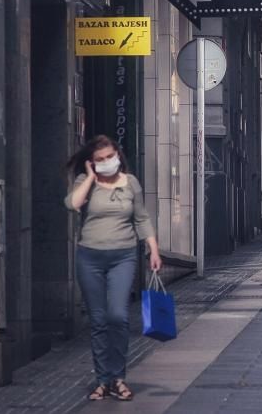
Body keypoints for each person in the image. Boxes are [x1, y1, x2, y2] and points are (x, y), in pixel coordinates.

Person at [65, 135, 161, 401]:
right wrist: (89, 178)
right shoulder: (85, 183)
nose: (107, 162)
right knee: (98, 320)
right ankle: (102, 380)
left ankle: (118, 378)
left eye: (110, 157)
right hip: (90, 258)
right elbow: (72, 204)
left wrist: (153, 249)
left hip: (123, 256)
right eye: (100, 160)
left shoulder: (131, 183)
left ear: (118, 154)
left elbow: (141, 217)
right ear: (92, 163)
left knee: (118, 316)